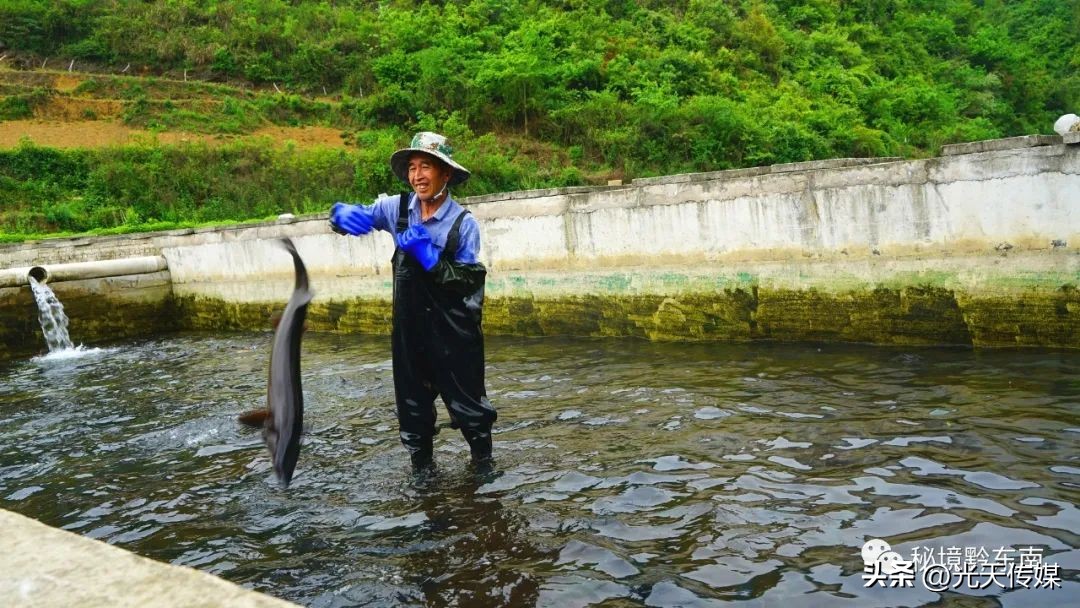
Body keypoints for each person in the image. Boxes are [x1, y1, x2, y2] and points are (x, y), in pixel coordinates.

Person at [329, 132, 496, 472]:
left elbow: (469, 282)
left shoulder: (463, 224)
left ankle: (483, 471)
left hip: (454, 336)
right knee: (413, 411)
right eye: (412, 167)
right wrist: (338, 216)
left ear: (445, 173)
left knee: (471, 412)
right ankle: (423, 478)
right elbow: (360, 216)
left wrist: (430, 258)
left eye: (426, 167)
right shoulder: (397, 208)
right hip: (410, 334)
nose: (417, 176)